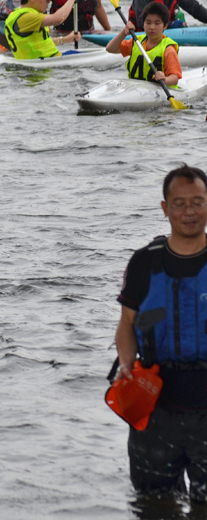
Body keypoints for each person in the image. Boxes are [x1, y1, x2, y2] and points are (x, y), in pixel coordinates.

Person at [114, 164, 207, 502]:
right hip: (155, 409)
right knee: (153, 507)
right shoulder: (143, 263)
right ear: (165, 208)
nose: (189, 211)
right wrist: (126, 363)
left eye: (197, 202)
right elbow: (127, 324)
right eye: (179, 203)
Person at [106, 2, 181, 86]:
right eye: (148, 23)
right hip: (135, 89)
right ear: (143, 24)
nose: (152, 27)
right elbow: (110, 48)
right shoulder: (136, 42)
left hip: (159, 91)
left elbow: (174, 78)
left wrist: (165, 79)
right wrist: (124, 32)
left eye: (157, 23)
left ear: (165, 26)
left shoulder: (168, 49)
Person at [4, 0, 80, 59]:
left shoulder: (21, 14)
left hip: (46, 61)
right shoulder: (26, 17)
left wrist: (64, 39)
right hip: (46, 63)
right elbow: (58, 19)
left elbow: (41, 42)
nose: (48, 1)